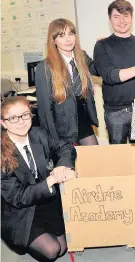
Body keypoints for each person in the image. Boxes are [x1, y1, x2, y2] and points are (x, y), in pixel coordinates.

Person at [1, 96, 77, 261]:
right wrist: (50, 181)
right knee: (52, 250)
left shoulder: (39, 134)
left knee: (63, 248)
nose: (21, 122)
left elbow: (65, 147)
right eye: (13, 118)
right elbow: (19, 197)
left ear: (30, 115)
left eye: (25, 115)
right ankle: (16, 239)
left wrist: (62, 166)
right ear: (3, 123)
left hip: (46, 199)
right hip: (19, 211)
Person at [93, 0, 135, 165]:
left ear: (132, 17)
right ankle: (123, 191)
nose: (122, 21)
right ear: (110, 19)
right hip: (115, 113)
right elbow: (110, 76)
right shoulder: (102, 46)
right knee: (118, 158)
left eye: (126, 16)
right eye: (116, 16)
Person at [35, 18, 99, 146]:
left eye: (71, 34)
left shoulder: (82, 56)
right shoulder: (45, 67)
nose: (68, 39)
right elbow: (45, 108)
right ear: (53, 40)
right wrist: (52, 137)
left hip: (82, 118)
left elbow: (99, 70)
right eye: (61, 35)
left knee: (95, 157)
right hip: (61, 125)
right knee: (68, 162)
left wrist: (101, 47)